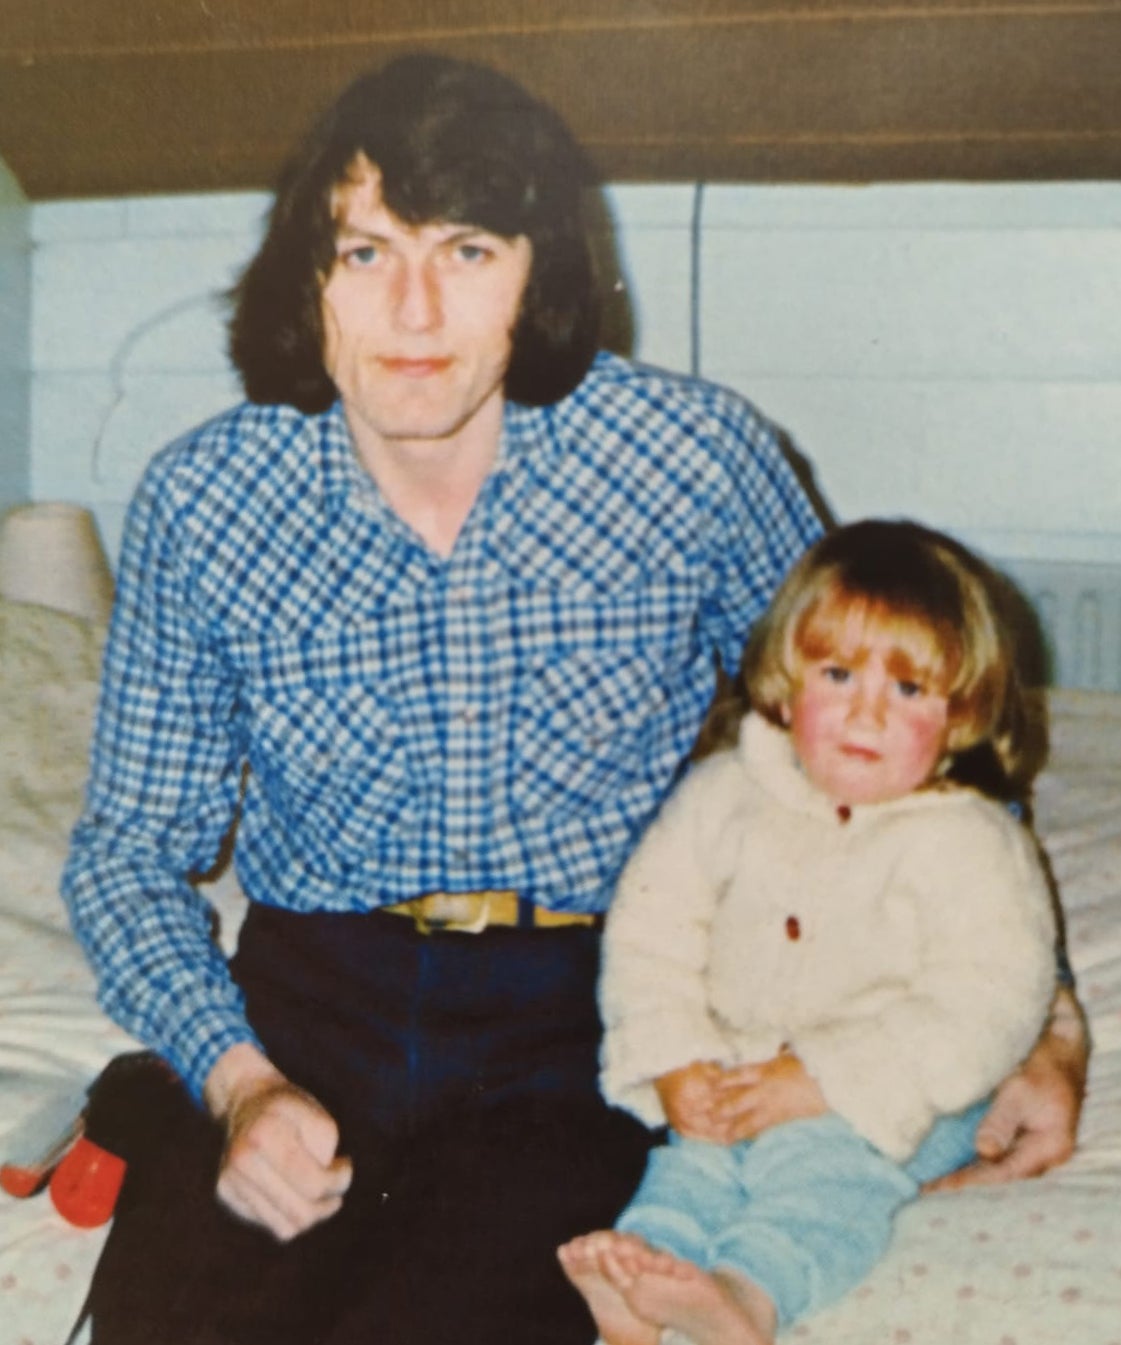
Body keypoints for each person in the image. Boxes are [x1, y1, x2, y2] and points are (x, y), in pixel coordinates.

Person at [58, 53, 1084, 1345]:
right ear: (305, 283)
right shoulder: (206, 501)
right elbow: (130, 852)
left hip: (582, 1013)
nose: (414, 311)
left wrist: (1042, 1024)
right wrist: (236, 1080)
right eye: (366, 254)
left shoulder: (688, 460)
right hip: (308, 998)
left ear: (538, 271)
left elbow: (902, 722)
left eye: (468, 251)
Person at [558, 520, 1060, 1345]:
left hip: (897, 1093)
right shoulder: (722, 793)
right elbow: (652, 933)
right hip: (732, 1062)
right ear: (786, 688)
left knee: (816, 1172)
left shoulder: (967, 839)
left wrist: (829, 1079)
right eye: (837, 673)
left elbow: (993, 998)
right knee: (692, 1159)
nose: (866, 712)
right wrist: (676, 1057)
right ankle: (643, 1278)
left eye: (907, 690)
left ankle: (748, 1296)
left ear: (960, 713)